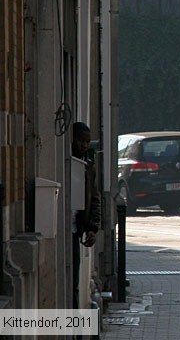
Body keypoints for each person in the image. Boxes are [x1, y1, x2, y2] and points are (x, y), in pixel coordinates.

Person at [71, 122, 101, 307]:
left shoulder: (88, 166)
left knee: (74, 279)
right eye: (80, 140)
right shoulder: (65, 162)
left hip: (76, 229)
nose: (84, 145)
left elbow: (94, 198)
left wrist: (92, 227)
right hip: (65, 228)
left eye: (87, 141)